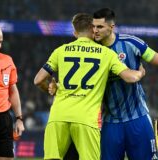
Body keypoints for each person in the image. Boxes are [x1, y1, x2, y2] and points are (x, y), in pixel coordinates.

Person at [34, 13, 144, 160]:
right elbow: (130, 78)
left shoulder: (60, 51)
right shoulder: (106, 53)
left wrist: (51, 89)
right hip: (86, 119)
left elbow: (38, 80)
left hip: (58, 117)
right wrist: (140, 72)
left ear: (74, 32)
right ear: (93, 30)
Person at [92, 8, 158, 160]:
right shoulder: (93, 51)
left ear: (111, 27)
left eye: (100, 27)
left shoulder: (131, 43)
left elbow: (155, 58)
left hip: (138, 118)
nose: (95, 30)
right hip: (110, 122)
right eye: (93, 26)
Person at [0, 27, 25, 160]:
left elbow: (13, 91)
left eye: (0, 42)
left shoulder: (7, 61)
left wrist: (19, 119)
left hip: (4, 119)